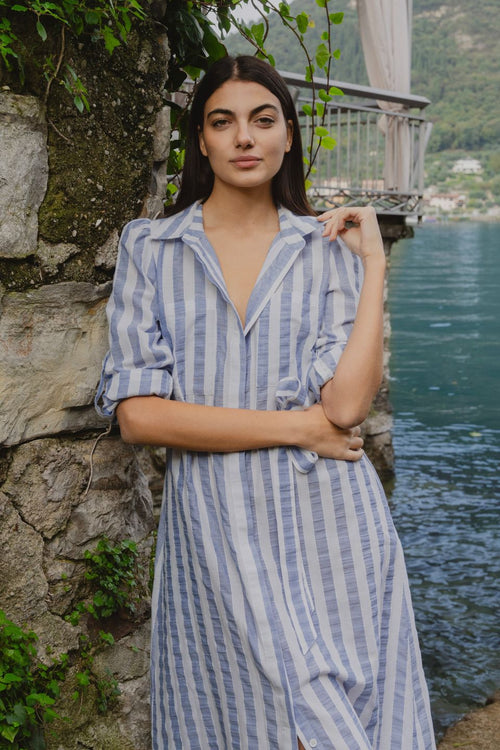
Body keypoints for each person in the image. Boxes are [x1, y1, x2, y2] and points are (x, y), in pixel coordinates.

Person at [96, 55, 436, 750]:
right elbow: (139, 414)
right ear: (201, 140)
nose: (244, 137)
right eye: (223, 122)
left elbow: (343, 407)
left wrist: (373, 264)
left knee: (342, 731)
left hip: (331, 532)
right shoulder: (152, 248)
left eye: (263, 120)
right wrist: (294, 427)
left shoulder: (327, 249)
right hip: (215, 531)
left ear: (287, 136)